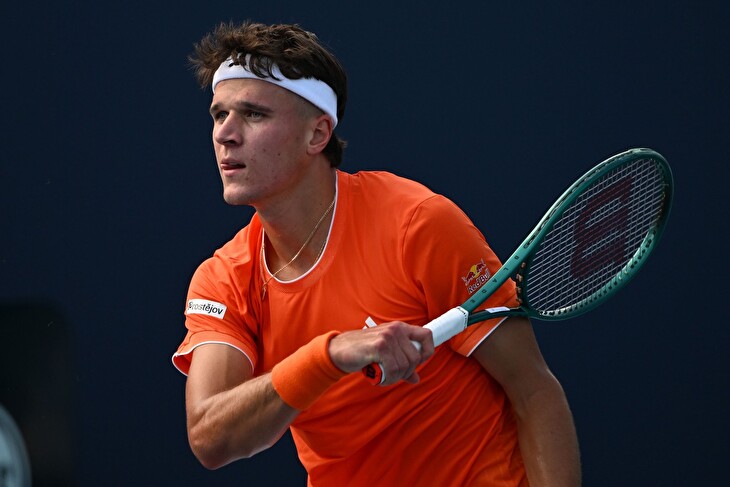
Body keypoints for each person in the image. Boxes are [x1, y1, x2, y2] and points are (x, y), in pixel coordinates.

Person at [172, 20, 581, 486]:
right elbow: (211, 437)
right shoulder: (223, 278)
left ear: (317, 135)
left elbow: (534, 392)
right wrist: (329, 355)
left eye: (253, 114)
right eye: (218, 115)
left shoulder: (417, 225)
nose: (225, 134)